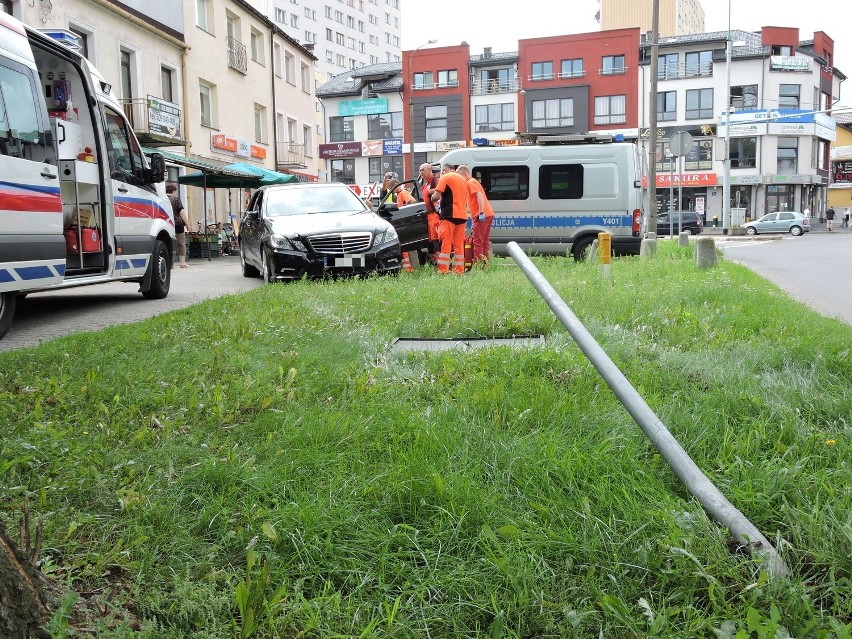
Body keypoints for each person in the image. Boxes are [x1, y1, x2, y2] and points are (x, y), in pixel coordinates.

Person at [431, 164, 469, 274]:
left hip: (449, 215)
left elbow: (437, 196)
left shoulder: (446, 177)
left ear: (444, 170)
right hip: (462, 216)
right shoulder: (463, 179)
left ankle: (443, 270)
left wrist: (432, 196)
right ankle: (458, 270)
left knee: (446, 243)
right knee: (459, 246)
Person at [456, 164, 494, 264]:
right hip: (487, 214)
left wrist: (480, 212)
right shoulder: (473, 181)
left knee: (477, 242)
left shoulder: (470, 182)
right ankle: (485, 264)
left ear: (465, 174)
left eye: (460, 176)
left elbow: (479, 195)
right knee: (484, 242)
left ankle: (478, 266)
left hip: (481, 215)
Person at [418, 163, 440, 264]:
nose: (421, 172)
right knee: (430, 242)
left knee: (437, 241)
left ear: (430, 170)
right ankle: (436, 264)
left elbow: (442, 195)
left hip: (435, 216)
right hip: (428, 217)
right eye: (420, 170)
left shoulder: (436, 181)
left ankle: (442, 265)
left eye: (423, 170)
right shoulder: (424, 185)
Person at [166, 183, 190, 267]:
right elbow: (182, 213)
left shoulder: (162, 199)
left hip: (166, 224)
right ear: (174, 191)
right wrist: (187, 224)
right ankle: (182, 263)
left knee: (167, 243)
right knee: (181, 243)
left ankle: (169, 264)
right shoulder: (176, 200)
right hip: (177, 224)